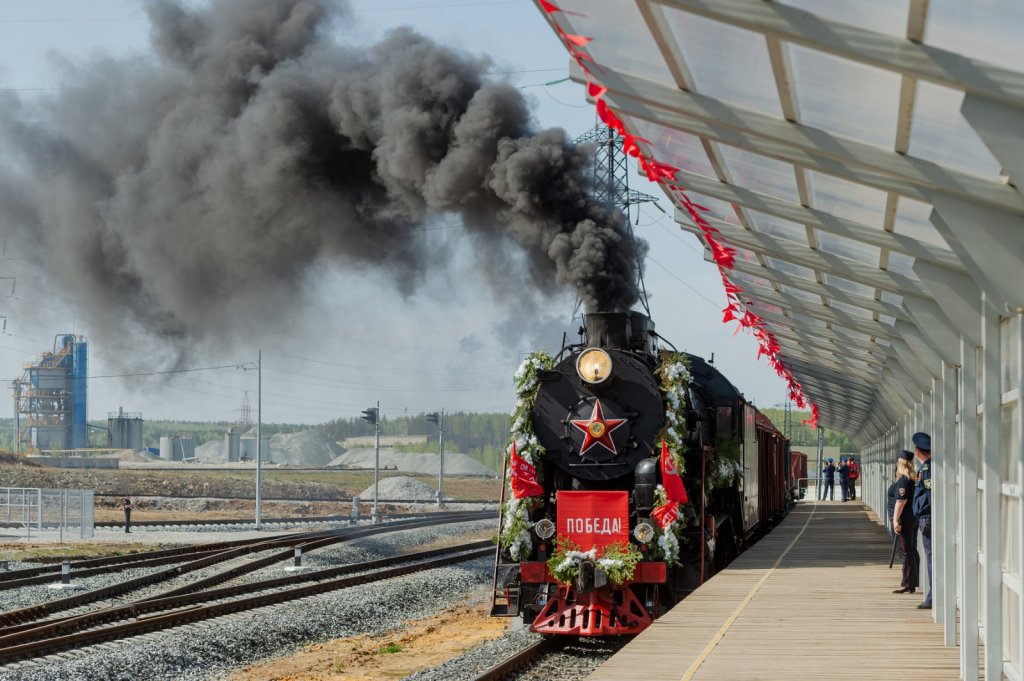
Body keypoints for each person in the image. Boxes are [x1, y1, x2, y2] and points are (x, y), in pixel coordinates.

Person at [889, 451, 919, 594]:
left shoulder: (903, 480)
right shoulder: (912, 478)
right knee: (912, 550)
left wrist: (895, 520)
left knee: (905, 552)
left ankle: (907, 583)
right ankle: (912, 582)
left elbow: (901, 501)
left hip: (903, 520)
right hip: (912, 519)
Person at [912, 432, 932, 609]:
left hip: (929, 519)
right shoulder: (925, 468)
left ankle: (933, 597)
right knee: (930, 557)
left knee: (932, 558)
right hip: (926, 518)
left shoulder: (927, 470)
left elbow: (930, 496)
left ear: (917, 450)